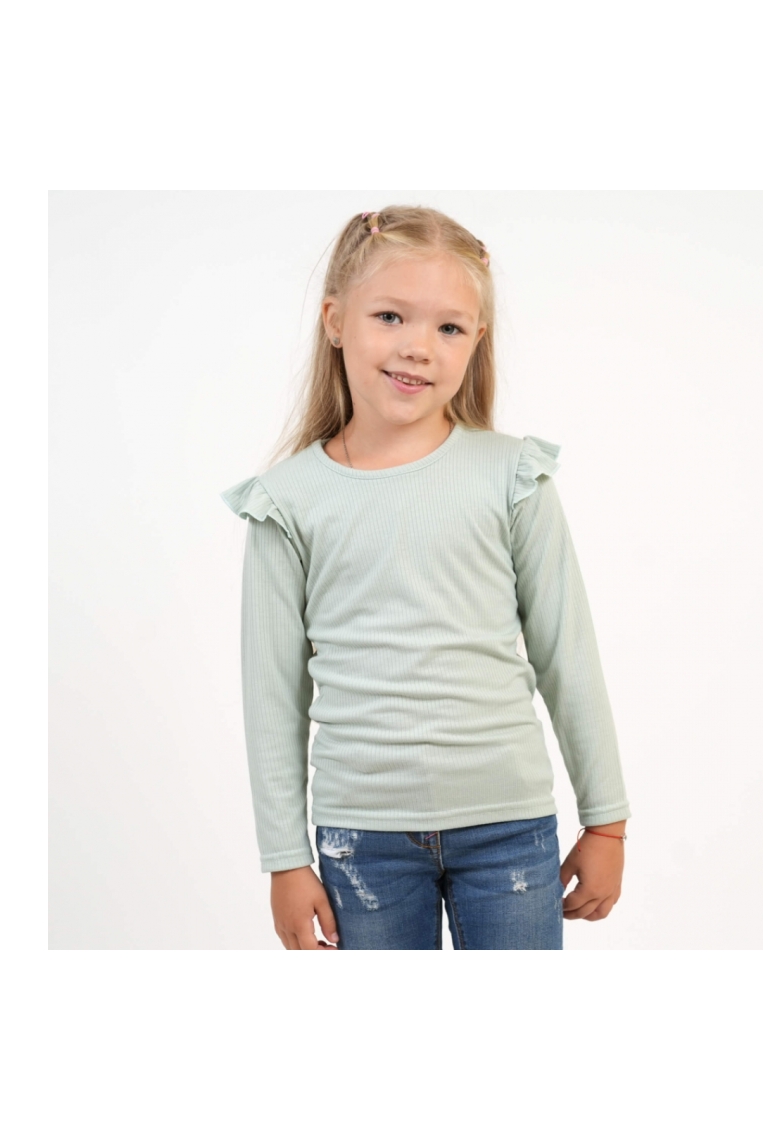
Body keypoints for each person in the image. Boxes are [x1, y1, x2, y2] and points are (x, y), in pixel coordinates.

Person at [220, 206, 631, 950]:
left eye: (449, 327)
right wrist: (285, 860)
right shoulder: (287, 503)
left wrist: (607, 821)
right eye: (390, 316)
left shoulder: (512, 477)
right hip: (361, 841)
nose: (418, 347)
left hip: (509, 829)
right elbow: (272, 696)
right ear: (335, 320)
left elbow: (567, 655)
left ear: (477, 340)